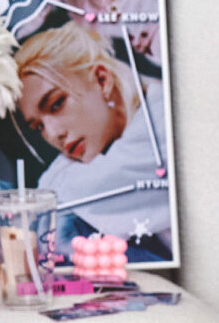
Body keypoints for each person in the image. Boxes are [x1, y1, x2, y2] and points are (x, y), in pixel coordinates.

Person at [15, 20, 171, 257]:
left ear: (102, 80)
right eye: (39, 127)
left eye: (56, 104)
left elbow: (72, 190)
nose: (54, 133)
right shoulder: (122, 134)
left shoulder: (161, 124)